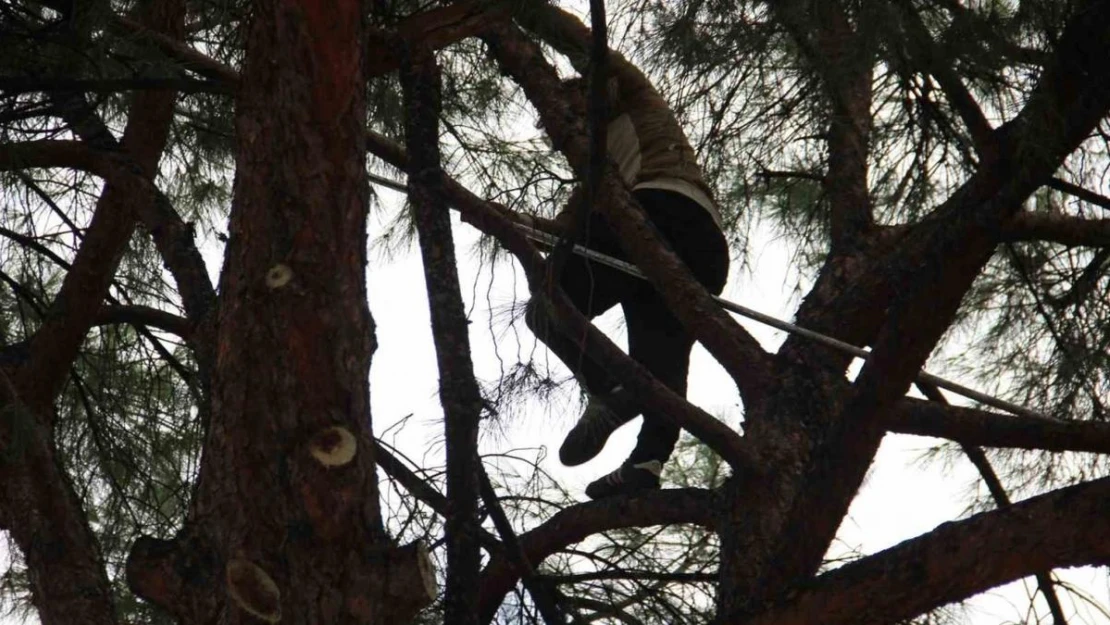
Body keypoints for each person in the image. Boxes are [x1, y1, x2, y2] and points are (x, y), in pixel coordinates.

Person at [525, 67, 729, 499]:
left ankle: (609, 391)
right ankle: (645, 466)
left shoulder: (635, 96)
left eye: (576, 104)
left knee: (548, 305)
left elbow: (590, 47)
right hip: (701, 248)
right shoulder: (595, 167)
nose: (574, 118)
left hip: (661, 209)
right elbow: (566, 226)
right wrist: (518, 223)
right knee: (661, 364)